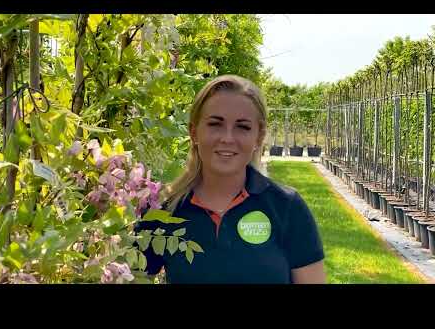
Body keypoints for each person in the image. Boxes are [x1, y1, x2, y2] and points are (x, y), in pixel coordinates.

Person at [136, 74, 325, 284]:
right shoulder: (163, 210)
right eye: (215, 124)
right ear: (194, 132)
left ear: (259, 136)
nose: (227, 138)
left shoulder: (287, 207)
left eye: (242, 127)